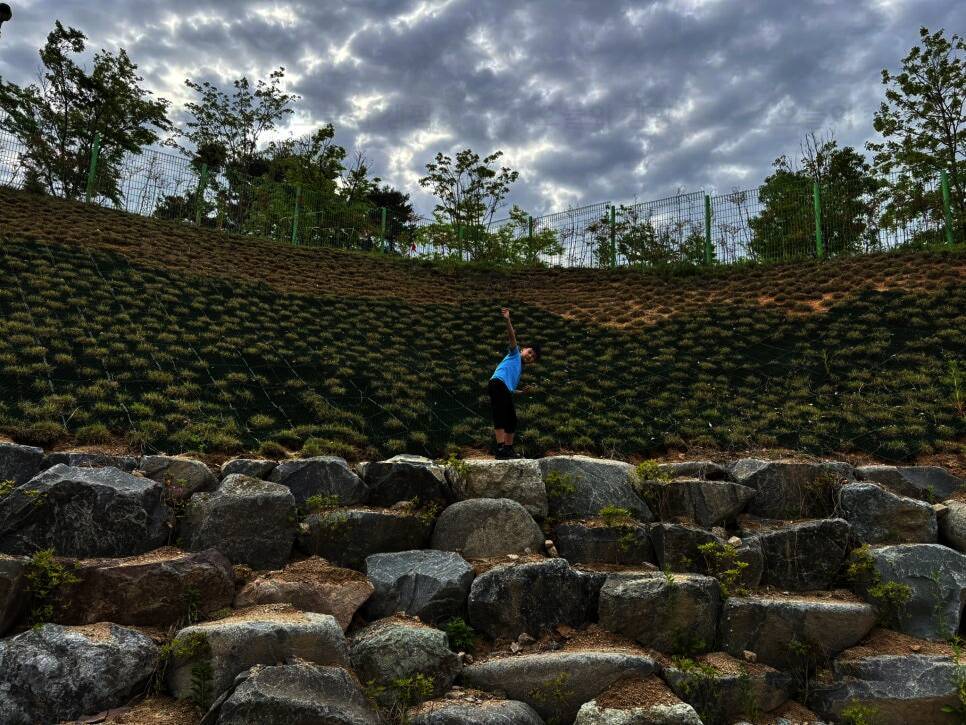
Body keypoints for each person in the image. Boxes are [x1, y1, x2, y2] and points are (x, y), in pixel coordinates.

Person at [488, 307, 541, 459]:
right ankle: (500, 450)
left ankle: (508, 449)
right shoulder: (514, 355)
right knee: (500, 415)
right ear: (523, 349)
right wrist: (507, 320)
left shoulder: (518, 370)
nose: (530, 356)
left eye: (533, 358)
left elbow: (510, 390)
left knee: (511, 419)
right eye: (529, 352)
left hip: (503, 388)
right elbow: (512, 337)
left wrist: (522, 392)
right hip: (497, 384)